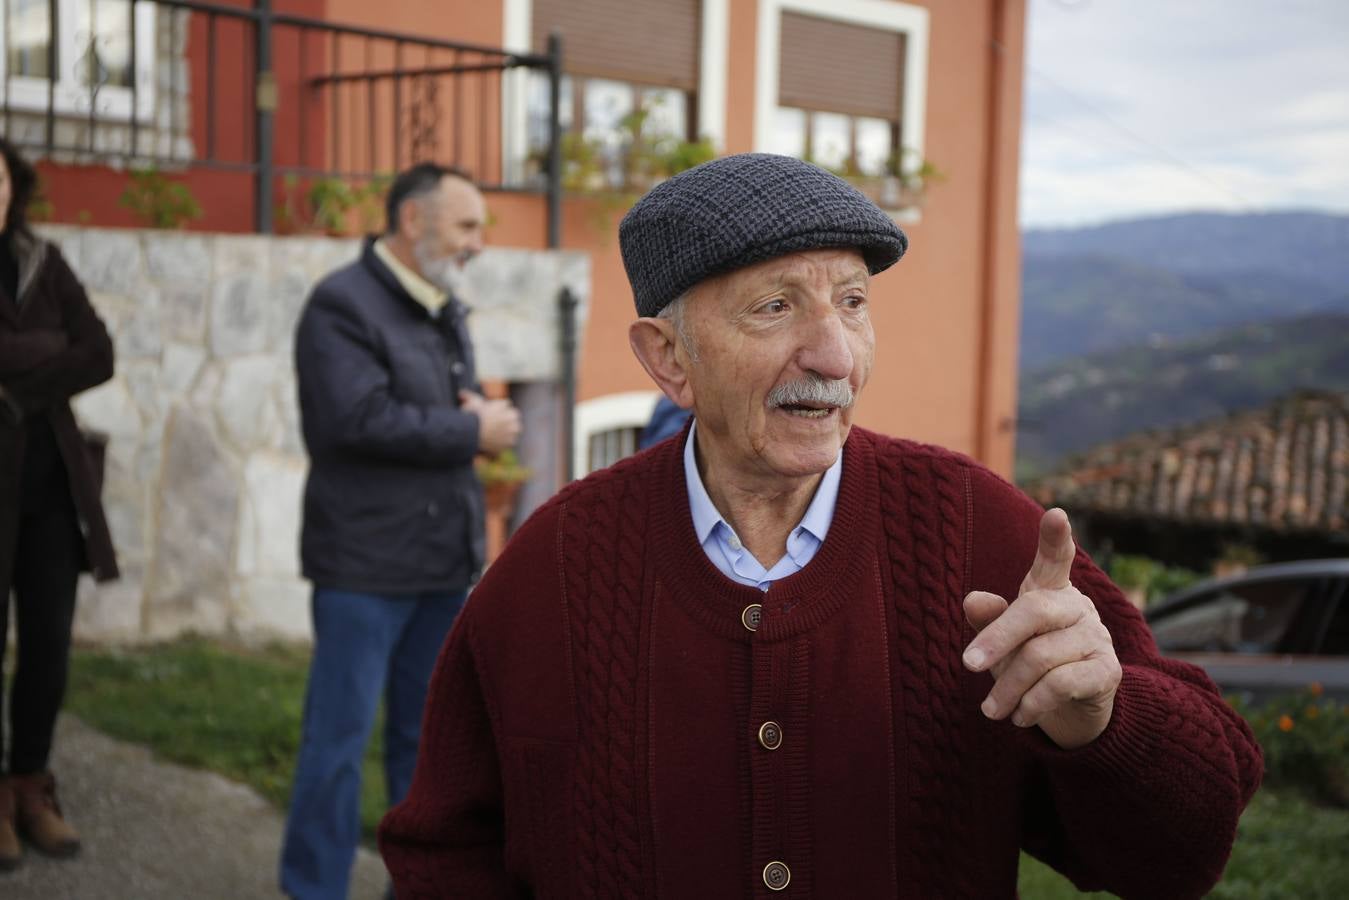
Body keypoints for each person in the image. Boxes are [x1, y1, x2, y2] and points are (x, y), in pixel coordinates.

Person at [379, 154, 1262, 898]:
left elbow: (1181, 857)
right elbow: (442, 853)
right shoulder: (553, 567)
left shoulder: (978, 530)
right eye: (775, 307)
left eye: (851, 302)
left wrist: (1106, 721)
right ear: (668, 358)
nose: (834, 355)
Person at [280, 162, 521, 900]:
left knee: (429, 753)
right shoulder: (341, 305)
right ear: (413, 221)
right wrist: (471, 429)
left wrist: (471, 419)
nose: (478, 242)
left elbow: (442, 408)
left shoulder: (444, 305)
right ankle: (313, 888)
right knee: (337, 744)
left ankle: (416, 888)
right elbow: (351, 421)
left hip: (441, 565)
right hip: (363, 568)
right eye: (467, 225)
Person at [0, 137, 118, 871]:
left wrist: (15, 389)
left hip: (50, 489)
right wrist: (48, 351)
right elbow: (72, 352)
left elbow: (99, 352)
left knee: (48, 645)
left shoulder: (43, 262)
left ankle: (29, 785)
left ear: (14, 188)